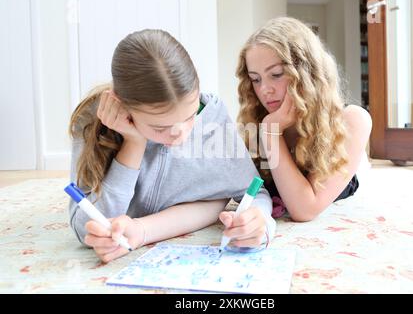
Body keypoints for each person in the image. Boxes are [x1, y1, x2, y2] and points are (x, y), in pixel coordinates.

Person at [68, 29, 275, 263]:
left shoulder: (211, 114)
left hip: (170, 222)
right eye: (159, 128)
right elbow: (86, 227)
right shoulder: (93, 120)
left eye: (189, 117)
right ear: (123, 107)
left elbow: (254, 193)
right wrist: (134, 142)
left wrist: (260, 221)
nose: (180, 134)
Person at [236, 17, 372, 222]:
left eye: (276, 74)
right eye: (256, 79)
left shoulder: (352, 120)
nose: (264, 90)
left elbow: (304, 210)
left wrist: (271, 132)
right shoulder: (254, 119)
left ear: (307, 73)